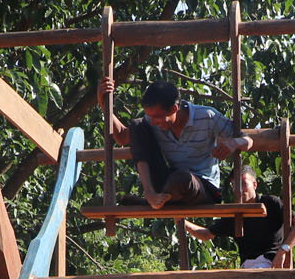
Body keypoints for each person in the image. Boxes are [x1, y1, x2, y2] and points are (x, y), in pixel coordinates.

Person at [100, 75, 252, 210]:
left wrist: (234, 143)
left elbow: (248, 140)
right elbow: (122, 137)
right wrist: (104, 104)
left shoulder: (207, 116)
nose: (153, 122)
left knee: (183, 179)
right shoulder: (151, 121)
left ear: (174, 109)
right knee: (138, 125)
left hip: (202, 188)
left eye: (157, 117)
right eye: (150, 116)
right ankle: (150, 195)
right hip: (169, 185)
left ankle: (149, 203)